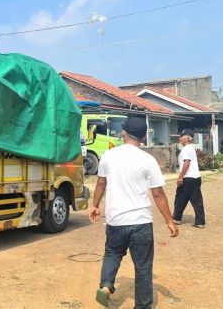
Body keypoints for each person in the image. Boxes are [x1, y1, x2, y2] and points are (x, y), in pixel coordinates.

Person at [89, 117, 179, 308]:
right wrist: (169, 220)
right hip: (140, 222)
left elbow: (101, 183)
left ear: (123, 132)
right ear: (144, 136)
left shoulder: (108, 155)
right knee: (143, 267)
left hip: (116, 220)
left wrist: (95, 205)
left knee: (112, 253)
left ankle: (106, 286)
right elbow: (158, 193)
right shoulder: (148, 160)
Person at [172, 129, 206, 228]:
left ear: (187, 138)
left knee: (180, 198)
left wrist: (180, 177)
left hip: (188, 178)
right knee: (197, 200)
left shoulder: (186, 148)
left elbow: (187, 163)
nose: (180, 138)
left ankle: (176, 218)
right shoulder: (191, 148)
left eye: (182, 136)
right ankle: (200, 222)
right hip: (196, 177)